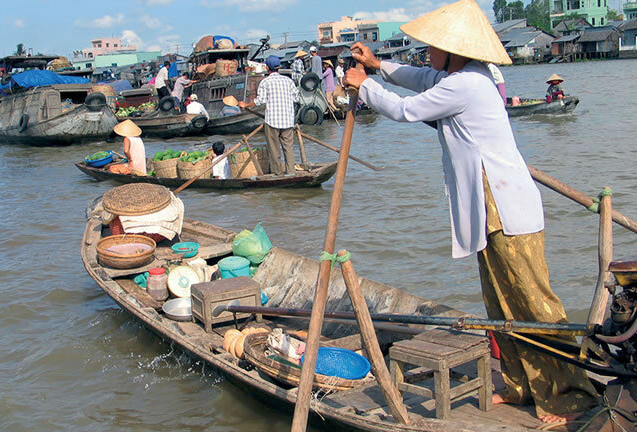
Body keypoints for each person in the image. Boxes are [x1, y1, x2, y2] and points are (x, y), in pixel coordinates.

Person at [344, 0, 596, 424]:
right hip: (486, 207)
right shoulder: (458, 76)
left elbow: (407, 110)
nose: (427, 54)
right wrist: (378, 65)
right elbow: (421, 77)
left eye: (433, 47)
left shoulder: (468, 85)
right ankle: (519, 386)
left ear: (453, 50)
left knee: (534, 303)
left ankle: (570, 396)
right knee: (499, 302)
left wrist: (363, 84)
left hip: (504, 204)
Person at [238, 55, 299, 175]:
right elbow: (296, 98)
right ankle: (291, 172)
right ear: (278, 67)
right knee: (288, 149)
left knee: (274, 150)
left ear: (267, 67)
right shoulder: (288, 80)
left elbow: (259, 101)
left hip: (272, 121)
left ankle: (277, 174)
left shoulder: (265, 82)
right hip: (288, 120)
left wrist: (245, 105)